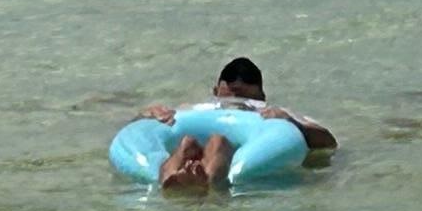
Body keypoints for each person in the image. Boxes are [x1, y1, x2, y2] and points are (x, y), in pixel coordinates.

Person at [142, 54, 336, 190]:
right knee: (187, 142)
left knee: (218, 141)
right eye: (228, 98)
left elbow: (328, 142)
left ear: (261, 97)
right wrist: (150, 114)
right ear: (215, 93)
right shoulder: (192, 110)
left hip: (241, 153)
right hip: (197, 151)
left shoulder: (274, 113)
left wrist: (294, 124)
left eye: (245, 100)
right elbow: (141, 130)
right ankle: (171, 181)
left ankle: (204, 182)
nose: (235, 104)